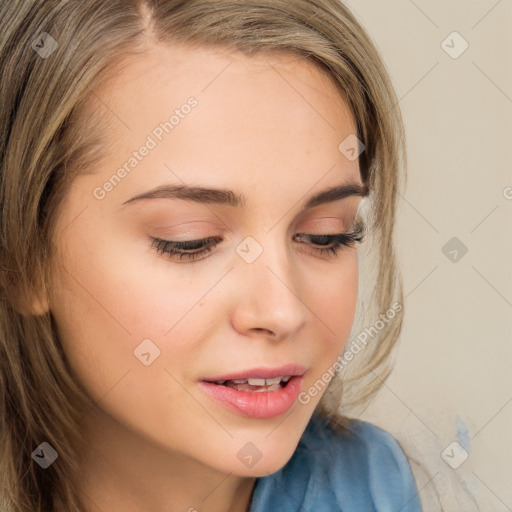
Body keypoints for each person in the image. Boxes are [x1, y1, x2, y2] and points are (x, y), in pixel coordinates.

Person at [0, 1, 422, 511]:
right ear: (20, 260)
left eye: (325, 235)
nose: (283, 312)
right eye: (190, 241)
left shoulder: (370, 488)